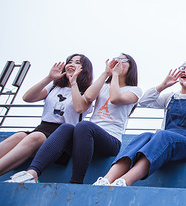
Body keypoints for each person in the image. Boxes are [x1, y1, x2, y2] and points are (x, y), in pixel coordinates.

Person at [7, 54, 141, 184]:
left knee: (83, 126)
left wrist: (116, 75)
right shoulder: (103, 86)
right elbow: (88, 96)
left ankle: (76, 182)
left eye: (122, 60)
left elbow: (115, 98)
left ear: (131, 67)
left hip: (111, 140)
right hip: (87, 136)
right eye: (116, 59)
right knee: (67, 127)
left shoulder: (135, 90)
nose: (117, 62)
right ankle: (32, 173)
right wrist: (106, 73)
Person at [92, 59, 186, 186]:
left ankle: (125, 181)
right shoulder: (171, 97)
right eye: (183, 67)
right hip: (165, 140)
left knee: (163, 135)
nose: (184, 70)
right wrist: (163, 85)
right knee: (145, 136)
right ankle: (107, 179)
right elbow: (144, 101)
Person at [0, 54, 93, 177]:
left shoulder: (86, 91)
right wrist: (49, 78)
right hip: (42, 128)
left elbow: (79, 108)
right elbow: (27, 97)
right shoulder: (54, 86)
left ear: (84, 69)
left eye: (77, 63)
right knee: (19, 136)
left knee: (36, 136)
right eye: (70, 62)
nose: (71, 64)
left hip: (63, 135)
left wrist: (73, 82)